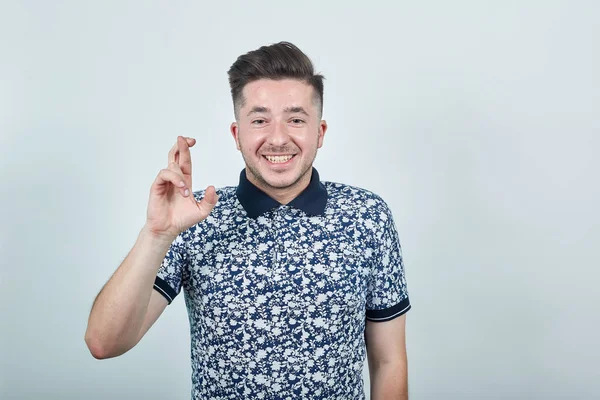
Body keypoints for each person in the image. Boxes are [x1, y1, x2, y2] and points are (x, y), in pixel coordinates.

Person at [85, 41, 411, 400]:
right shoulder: (194, 218)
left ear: (319, 132)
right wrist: (156, 233)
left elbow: (388, 362)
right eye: (259, 120)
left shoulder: (367, 216)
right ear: (237, 135)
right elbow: (104, 343)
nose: (277, 138)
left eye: (296, 119)